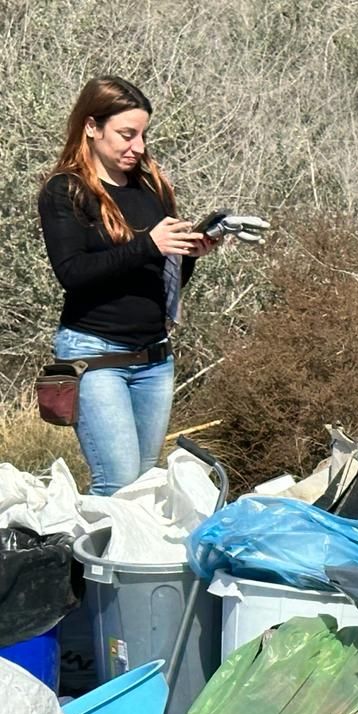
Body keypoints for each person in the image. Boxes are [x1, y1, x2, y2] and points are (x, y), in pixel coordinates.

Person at [37, 76, 216, 496]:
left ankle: (119, 563)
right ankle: (91, 565)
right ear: (91, 127)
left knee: (142, 488)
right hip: (95, 358)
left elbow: (158, 278)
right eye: (126, 134)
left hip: (154, 359)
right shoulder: (65, 190)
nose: (137, 146)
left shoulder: (149, 186)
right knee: (117, 485)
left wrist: (188, 254)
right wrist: (148, 245)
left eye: (142, 135)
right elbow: (73, 274)